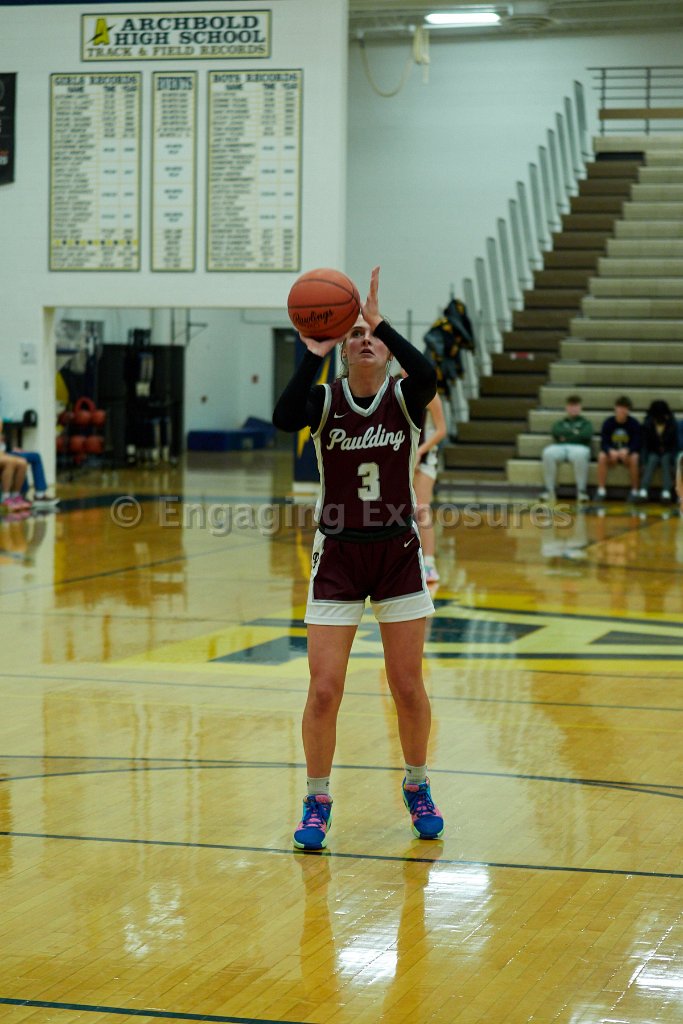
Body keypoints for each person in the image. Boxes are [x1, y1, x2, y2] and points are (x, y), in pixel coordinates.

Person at [273, 266, 444, 851]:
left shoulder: (405, 397)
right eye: (355, 336)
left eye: (372, 336)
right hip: (339, 556)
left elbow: (428, 374)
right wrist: (314, 350)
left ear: (387, 349)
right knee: (324, 689)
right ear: (343, 353)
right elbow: (283, 416)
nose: (365, 340)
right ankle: (317, 800)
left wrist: (378, 320)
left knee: (407, 685)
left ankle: (417, 784)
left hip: (396, 552)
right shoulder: (324, 401)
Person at [401, 371, 446, 582]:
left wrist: (420, 451)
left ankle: (429, 563)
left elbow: (441, 430)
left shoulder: (430, 394)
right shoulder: (396, 390)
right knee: (397, 509)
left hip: (425, 459)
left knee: (422, 509)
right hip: (402, 457)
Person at [539, 395, 593, 503]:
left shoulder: (586, 423)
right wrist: (575, 433)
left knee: (581, 455)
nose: (573, 408)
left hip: (579, 447)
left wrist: (565, 436)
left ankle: (581, 491)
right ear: (567, 408)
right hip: (561, 447)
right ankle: (549, 490)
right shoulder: (560, 423)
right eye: (571, 406)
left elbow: (586, 435)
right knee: (547, 452)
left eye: (576, 406)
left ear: (580, 408)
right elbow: (556, 432)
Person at [0, 421, 59, 509]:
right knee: (17, 461)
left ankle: (32, 494)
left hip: (6, 453)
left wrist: (13, 450)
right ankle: (8, 497)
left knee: (33, 457)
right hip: (4, 455)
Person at [596, 396, 641, 501]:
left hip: (627, 455)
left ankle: (634, 491)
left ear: (628, 410)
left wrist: (628, 450)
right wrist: (610, 451)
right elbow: (603, 442)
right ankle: (601, 490)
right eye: (620, 407)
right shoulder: (608, 422)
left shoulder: (634, 423)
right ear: (615, 408)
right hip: (612, 455)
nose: (622, 410)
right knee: (601, 456)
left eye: (625, 408)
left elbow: (637, 442)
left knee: (635, 457)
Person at [638, 399, 677, 502]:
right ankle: (643, 489)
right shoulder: (647, 424)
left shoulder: (672, 424)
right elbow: (644, 445)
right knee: (652, 459)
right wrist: (643, 462)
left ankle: (666, 491)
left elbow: (674, 444)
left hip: (667, 453)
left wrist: (674, 460)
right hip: (653, 452)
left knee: (665, 459)